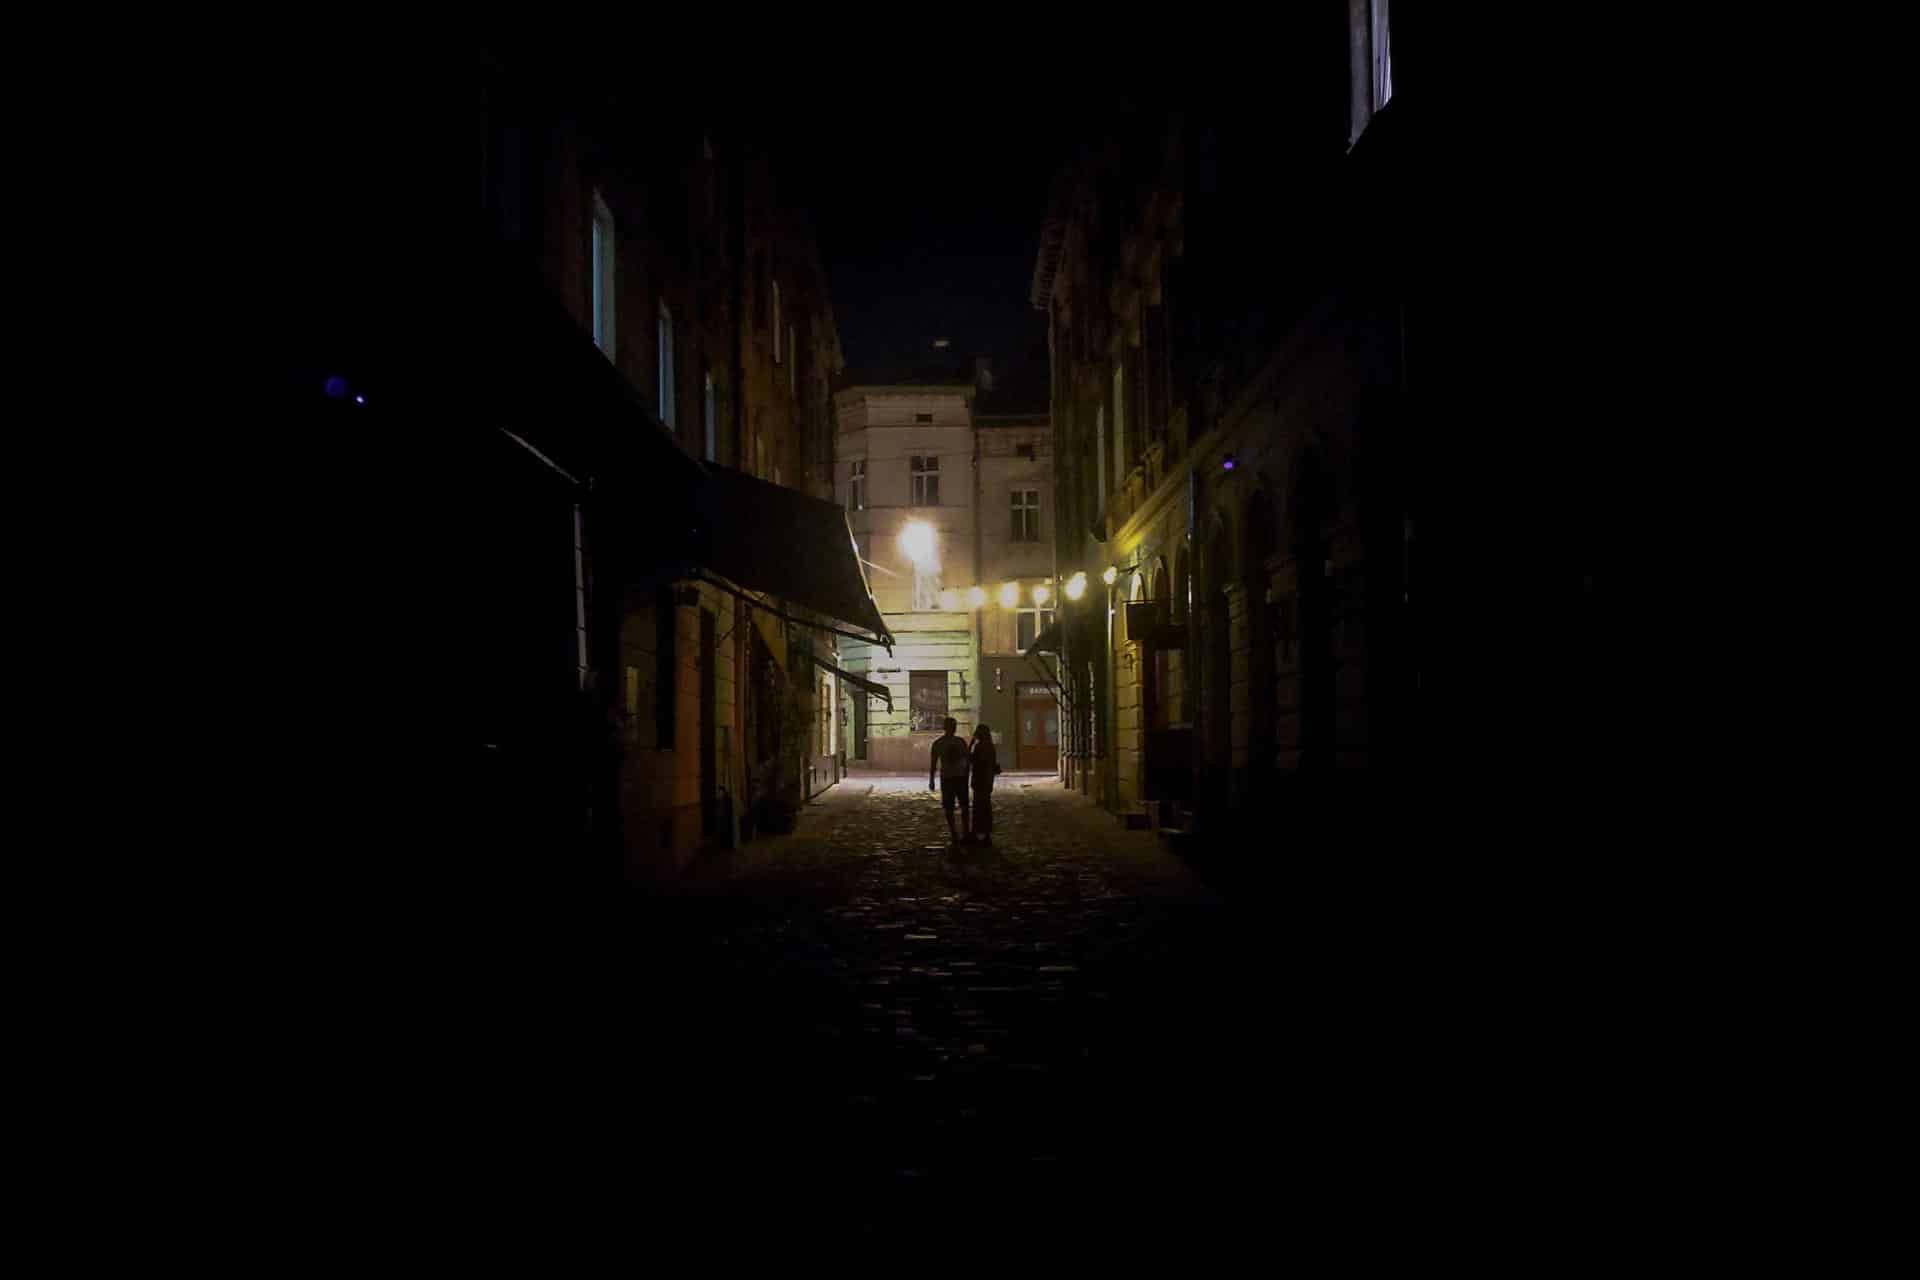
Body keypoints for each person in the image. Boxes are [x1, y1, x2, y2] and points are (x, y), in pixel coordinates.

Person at [928, 716, 972, 844]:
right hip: (954, 778)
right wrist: (931, 779)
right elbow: (933, 763)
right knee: (953, 807)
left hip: (952, 778)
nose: (953, 728)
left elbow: (933, 764)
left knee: (956, 807)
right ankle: (959, 832)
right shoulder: (958, 742)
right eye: (953, 726)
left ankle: (960, 833)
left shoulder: (940, 743)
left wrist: (931, 779)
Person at [969, 724, 1003, 844]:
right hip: (987, 780)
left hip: (980, 780)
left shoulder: (979, 746)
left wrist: (971, 743)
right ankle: (986, 834)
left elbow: (972, 760)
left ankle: (976, 833)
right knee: (986, 807)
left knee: (978, 808)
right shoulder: (990, 746)